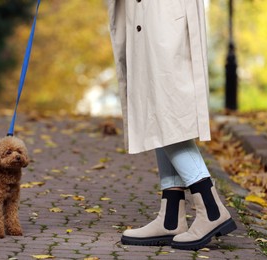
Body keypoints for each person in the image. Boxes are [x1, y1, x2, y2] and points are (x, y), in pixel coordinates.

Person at [106, 0, 237, 250]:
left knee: (165, 104)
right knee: (156, 103)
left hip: (162, 12)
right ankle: (171, 217)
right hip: (147, 13)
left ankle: (210, 208)